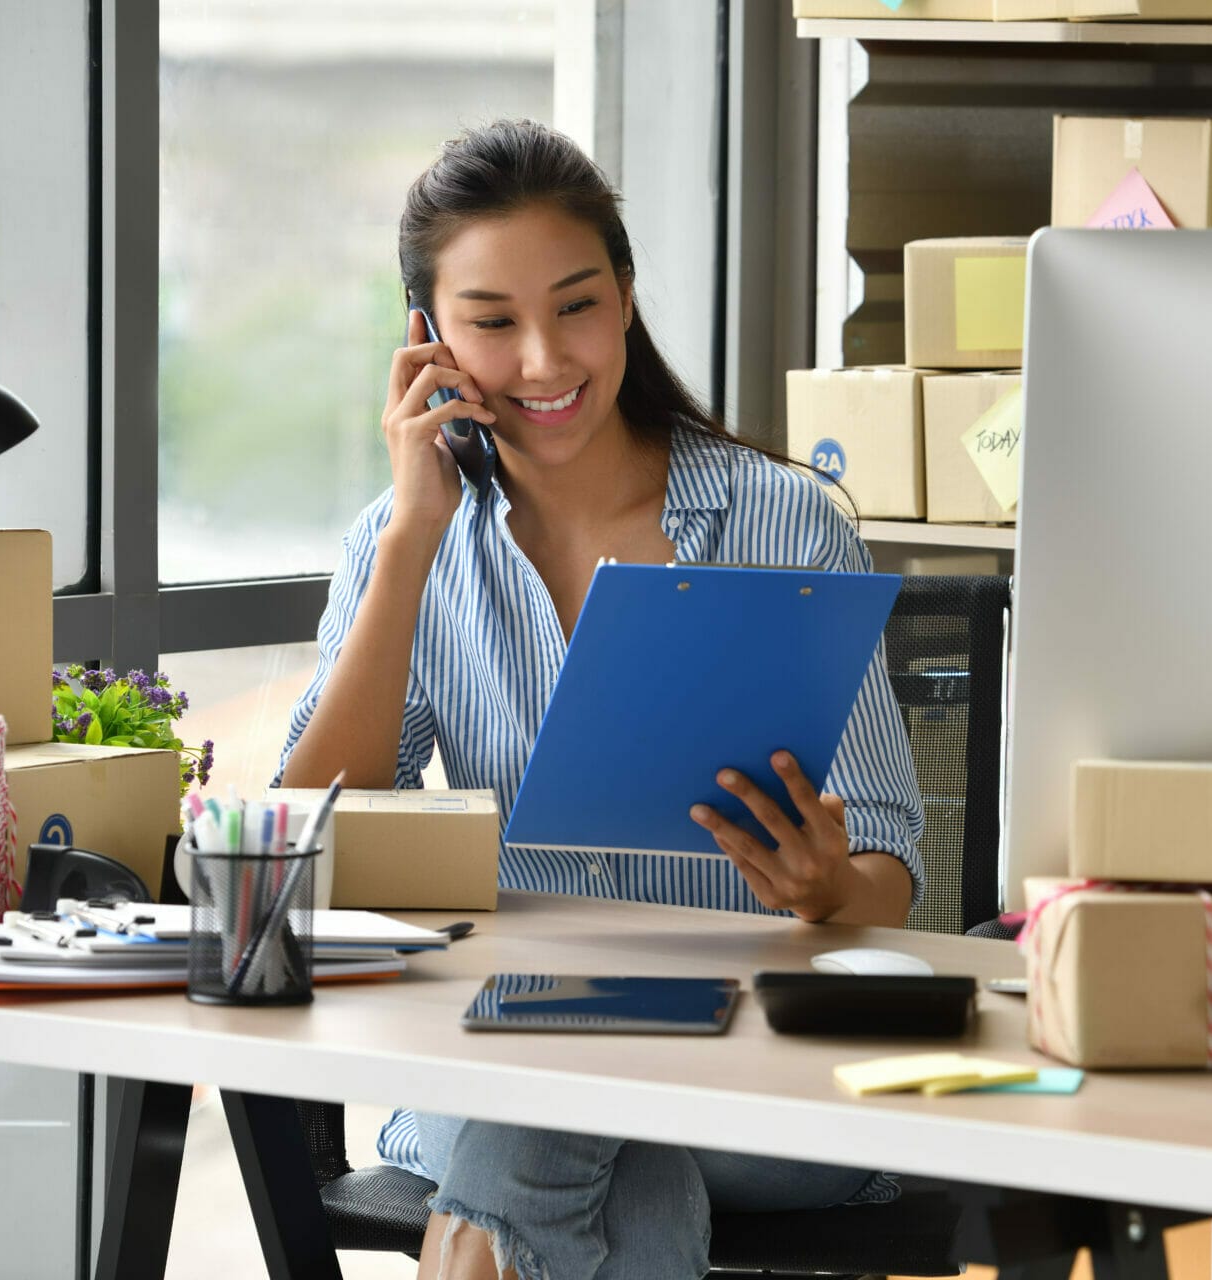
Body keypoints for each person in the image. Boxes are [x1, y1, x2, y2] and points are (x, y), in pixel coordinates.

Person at [274, 118, 924, 1280]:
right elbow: (310, 828)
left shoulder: (785, 521)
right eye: (491, 322)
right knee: (619, 1163)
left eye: (575, 305)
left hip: (757, 1078)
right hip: (498, 1061)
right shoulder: (403, 539)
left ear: (625, 299)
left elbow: (889, 874)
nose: (541, 360)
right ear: (426, 339)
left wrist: (827, 887)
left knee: (559, 1115)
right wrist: (416, 535)